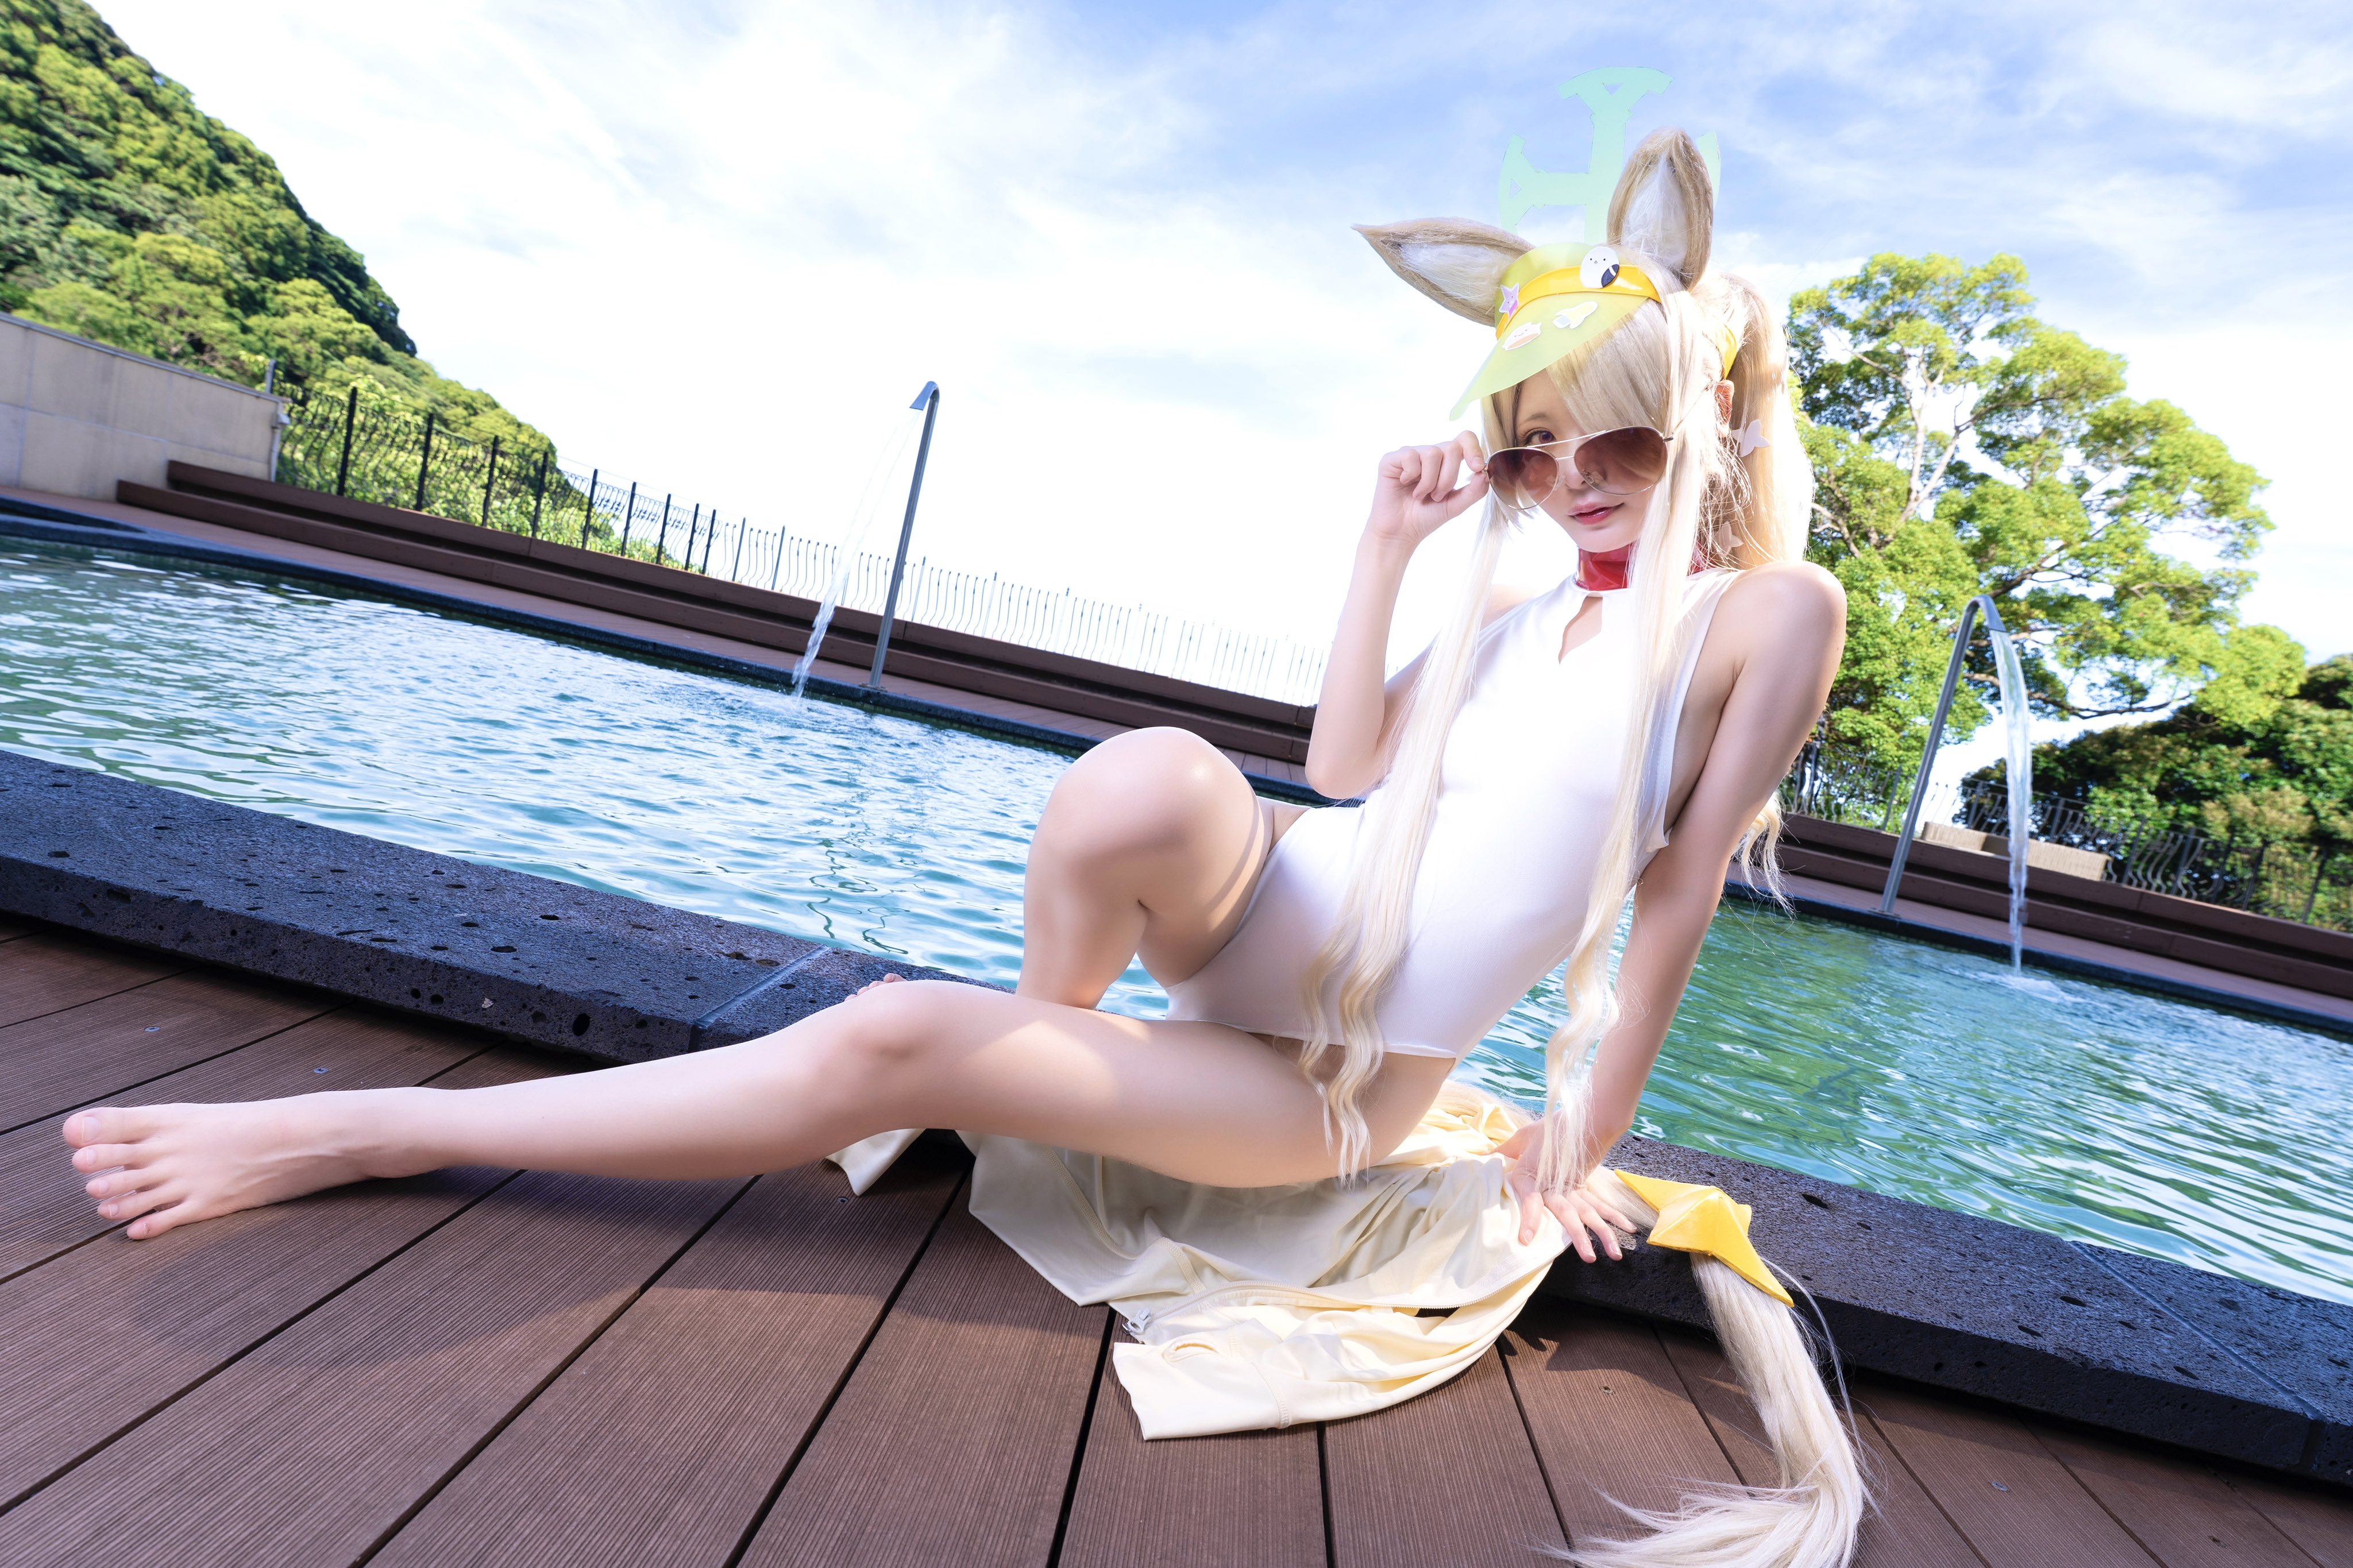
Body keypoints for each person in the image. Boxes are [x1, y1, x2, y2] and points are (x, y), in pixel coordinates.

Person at [64, 132, 1858, 1565]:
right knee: (1143, 774)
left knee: (898, 1032)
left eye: (1618, 441)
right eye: (1536, 452)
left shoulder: (1769, 617)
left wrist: (1575, 1137)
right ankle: (1030, 1075)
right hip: (1274, 903)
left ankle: (377, 1126)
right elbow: (1342, 767)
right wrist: (1388, 544)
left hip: (1329, 1080)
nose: (1575, 480)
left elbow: (1680, 889)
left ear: (1701, 421)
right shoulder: (1521, 609)